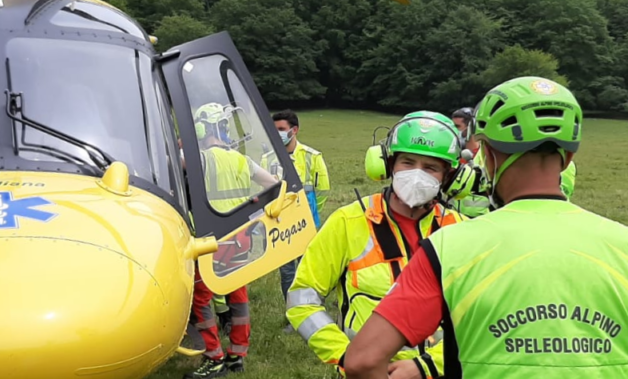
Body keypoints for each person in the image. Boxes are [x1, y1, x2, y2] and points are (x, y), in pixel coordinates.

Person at [344, 76, 628, 379]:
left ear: (489, 157)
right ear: (568, 158)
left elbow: (363, 361)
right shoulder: (622, 243)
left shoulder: (448, 247)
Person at [286, 110, 472, 378]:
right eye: (408, 162)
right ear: (387, 165)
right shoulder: (347, 222)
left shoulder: (463, 230)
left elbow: (484, 316)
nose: (417, 174)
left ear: (449, 176)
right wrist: (350, 357)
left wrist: (428, 366)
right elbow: (302, 298)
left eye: (430, 167)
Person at [185, 102, 276, 379]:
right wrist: (254, 208)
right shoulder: (240, 159)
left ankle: (214, 358)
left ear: (201, 128)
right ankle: (238, 354)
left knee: (200, 299)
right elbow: (273, 184)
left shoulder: (200, 158)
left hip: (213, 241)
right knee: (237, 295)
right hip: (240, 239)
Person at [261, 109, 331, 332]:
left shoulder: (312, 157)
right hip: (281, 225)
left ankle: (312, 312)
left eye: (281, 129)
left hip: (307, 224)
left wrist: (311, 218)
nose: (277, 134)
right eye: (274, 130)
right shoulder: (267, 158)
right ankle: (293, 316)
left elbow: (323, 191)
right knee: (287, 272)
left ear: (294, 130)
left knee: (308, 271)